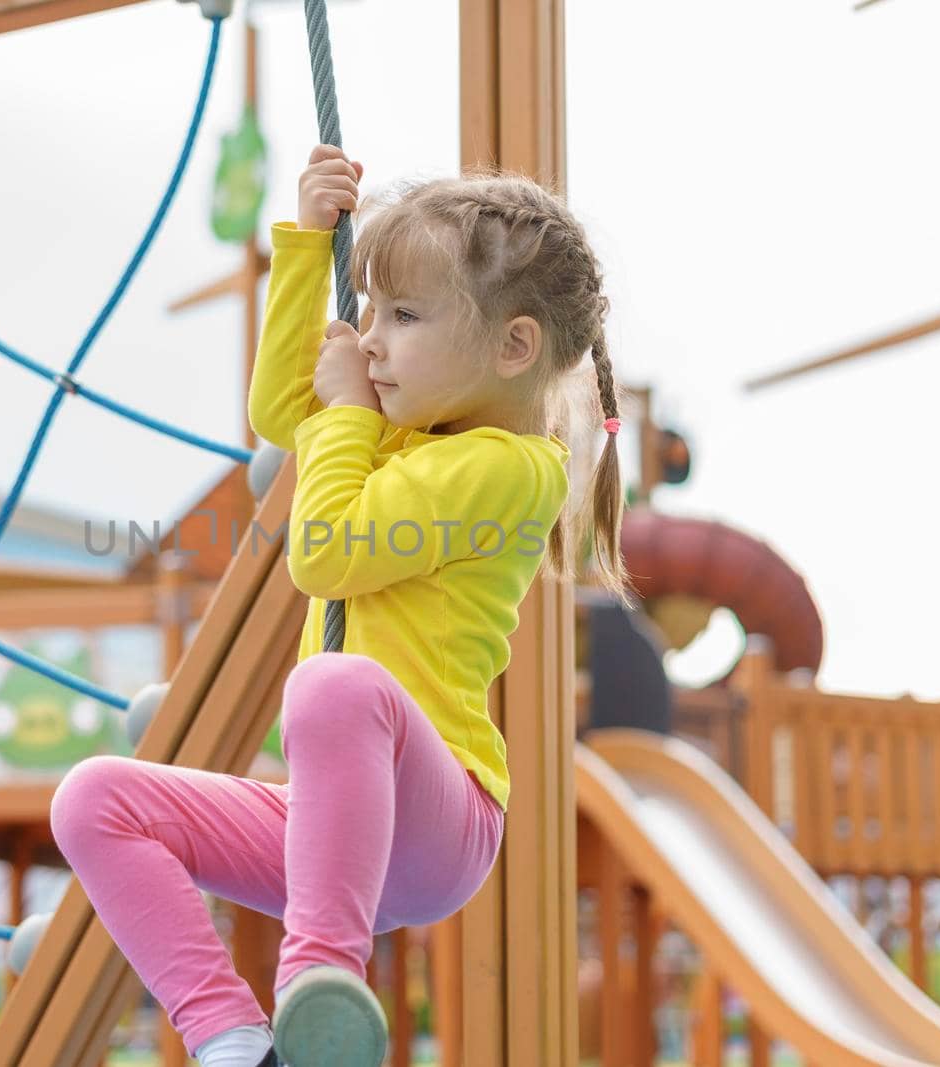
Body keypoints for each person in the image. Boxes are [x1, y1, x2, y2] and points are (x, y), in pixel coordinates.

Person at [50, 144, 624, 1067]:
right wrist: (307, 250)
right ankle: (232, 1037)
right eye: (370, 311)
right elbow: (285, 411)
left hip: (441, 824)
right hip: (329, 822)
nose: (370, 340)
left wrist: (351, 415)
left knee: (334, 686)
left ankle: (319, 987)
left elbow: (326, 554)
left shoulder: (512, 468)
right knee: (95, 800)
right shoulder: (397, 428)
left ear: (512, 346)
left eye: (403, 316)